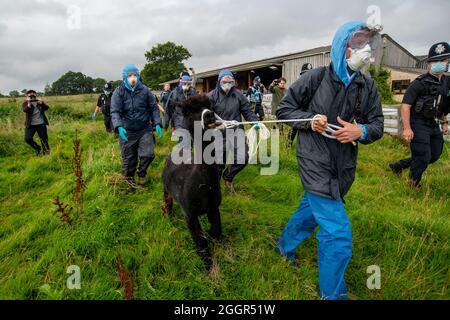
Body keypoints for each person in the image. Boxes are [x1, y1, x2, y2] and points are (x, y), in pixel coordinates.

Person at [275, 22, 384, 300]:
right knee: (337, 234)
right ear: (341, 46)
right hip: (314, 161)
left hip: (343, 165)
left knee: (309, 211)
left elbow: (378, 125)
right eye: (359, 42)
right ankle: (332, 296)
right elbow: (284, 109)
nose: (365, 49)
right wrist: (309, 121)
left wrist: (360, 131)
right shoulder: (315, 78)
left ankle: (283, 247)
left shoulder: (367, 86)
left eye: (369, 43)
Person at [389, 42, 449, 190]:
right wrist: (407, 128)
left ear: (448, 62)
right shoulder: (419, 83)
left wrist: (444, 122)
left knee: (433, 155)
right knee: (422, 156)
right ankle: (413, 183)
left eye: (443, 60)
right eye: (435, 61)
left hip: (433, 123)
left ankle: (398, 166)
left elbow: (442, 105)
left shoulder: (447, 83)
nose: (439, 64)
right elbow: (405, 106)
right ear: (429, 63)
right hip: (418, 122)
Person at [111, 64, 163, 190]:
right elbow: (115, 111)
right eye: (129, 76)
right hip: (127, 130)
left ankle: (141, 173)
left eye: (135, 75)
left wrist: (157, 122)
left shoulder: (145, 91)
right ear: (124, 77)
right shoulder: (119, 92)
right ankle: (129, 182)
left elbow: (154, 108)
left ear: (138, 76)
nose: (133, 78)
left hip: (144, 129)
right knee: (129, 159)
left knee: (148, 154)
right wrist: (118, 126)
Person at [208, 69, 260, 193]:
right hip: (219, 134)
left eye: (230, 81)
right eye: (224, 81)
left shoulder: (238, 95)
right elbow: (207, 117)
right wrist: (218, 124)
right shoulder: (211, 96)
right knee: (219, 163)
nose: (227, 84)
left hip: (237, 132)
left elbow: (247, 111)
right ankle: (215, 187)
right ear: (219, 81)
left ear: (233, 82)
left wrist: (254, 121)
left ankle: (228, 176)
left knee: (243, 158)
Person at [288, 64, 314, 146]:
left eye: (309, 73)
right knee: (294, 128)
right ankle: (288, 145)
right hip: (299, 112)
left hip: (310, 113)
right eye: (305, 74)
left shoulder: (315, 85)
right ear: (302, 75)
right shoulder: (298, 85)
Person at [23, 90, 50, 155]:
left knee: (44, 140)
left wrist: (42, 103)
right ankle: (37, 148)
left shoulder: (39, 102)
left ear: (35, 95)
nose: (32, 97)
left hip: (41, 124)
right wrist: (29, 104)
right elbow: (25, 110)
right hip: (30, 125)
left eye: (33, 95)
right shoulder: (25, 103)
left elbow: (46, 108)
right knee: (28, 138)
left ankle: (46, 154)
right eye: (30, 95)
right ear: (27, 96)